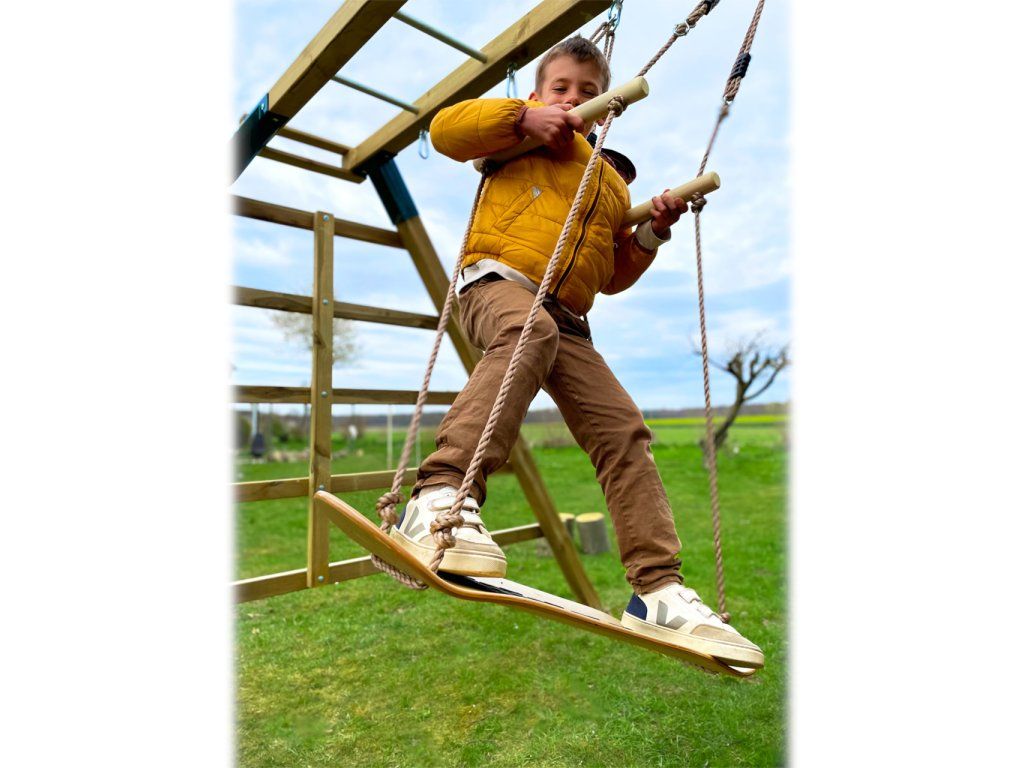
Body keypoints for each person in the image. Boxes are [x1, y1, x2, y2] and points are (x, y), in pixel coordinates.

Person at [390, 35, 762, 667]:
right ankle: (439, 497)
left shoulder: (609, 185)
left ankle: (657, 590)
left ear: (607, 106)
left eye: (588, 92)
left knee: (623, 430)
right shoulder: (519, 135)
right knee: (527, 330)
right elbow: (447, 130)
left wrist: (650, 232)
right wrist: (522, 117)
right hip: (498, 282)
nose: (574, 99)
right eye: (560, 88)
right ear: (539, 92)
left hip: (566, 319)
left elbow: (610, 276)